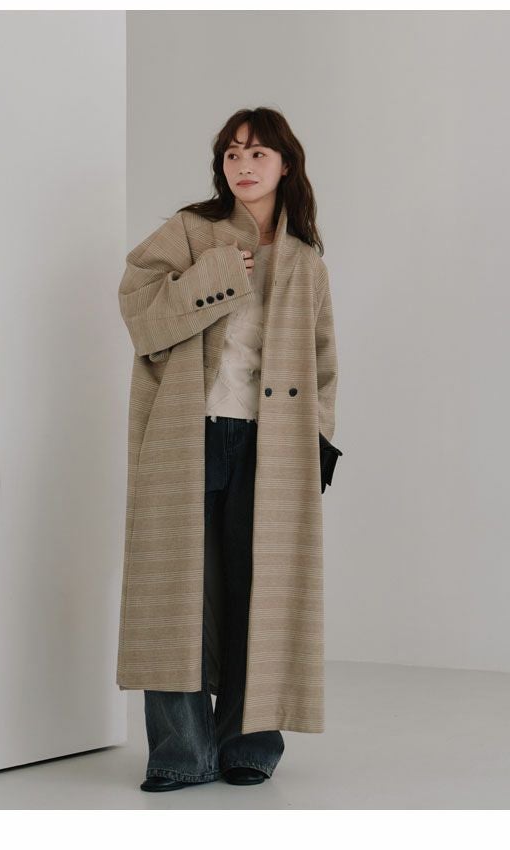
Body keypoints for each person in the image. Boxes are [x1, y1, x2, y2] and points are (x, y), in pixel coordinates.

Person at [116, 107, 340, 793]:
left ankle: (249, 742)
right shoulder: (192, 232)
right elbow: (138, 311)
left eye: (258, 153)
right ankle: (180, 751)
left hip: (274, 444)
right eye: (232, 153)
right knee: (176, 591)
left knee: (259, 590)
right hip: (188, 431)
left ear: (285, 164)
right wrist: (213, 273)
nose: (243, 165)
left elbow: (324, 361)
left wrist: (321, 439)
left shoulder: (304, 260)